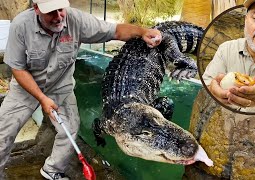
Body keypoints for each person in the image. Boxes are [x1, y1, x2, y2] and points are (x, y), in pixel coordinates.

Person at [0, 0, 162, 179]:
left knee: (70, 129)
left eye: (61, 10)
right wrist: (42, 98)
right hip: (25, 88)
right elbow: (18, 69)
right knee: (4, 132)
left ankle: (52, 169)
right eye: (51, 12)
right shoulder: (21, 25)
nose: (58, 16)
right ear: (36, 9)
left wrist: (144, 32)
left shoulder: (76, 20)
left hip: (61, 87)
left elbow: (115, 31)